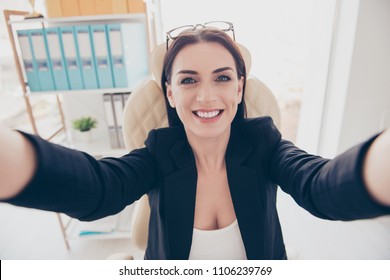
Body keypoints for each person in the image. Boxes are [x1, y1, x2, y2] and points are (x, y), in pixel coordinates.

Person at [1, 23, 390, 260]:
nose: (207, 96)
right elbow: (99, 187)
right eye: (188, 80)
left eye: (222, 78)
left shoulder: (264, 143)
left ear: (240, 89)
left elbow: (320, 186)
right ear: (169, 93)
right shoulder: (157, 152)